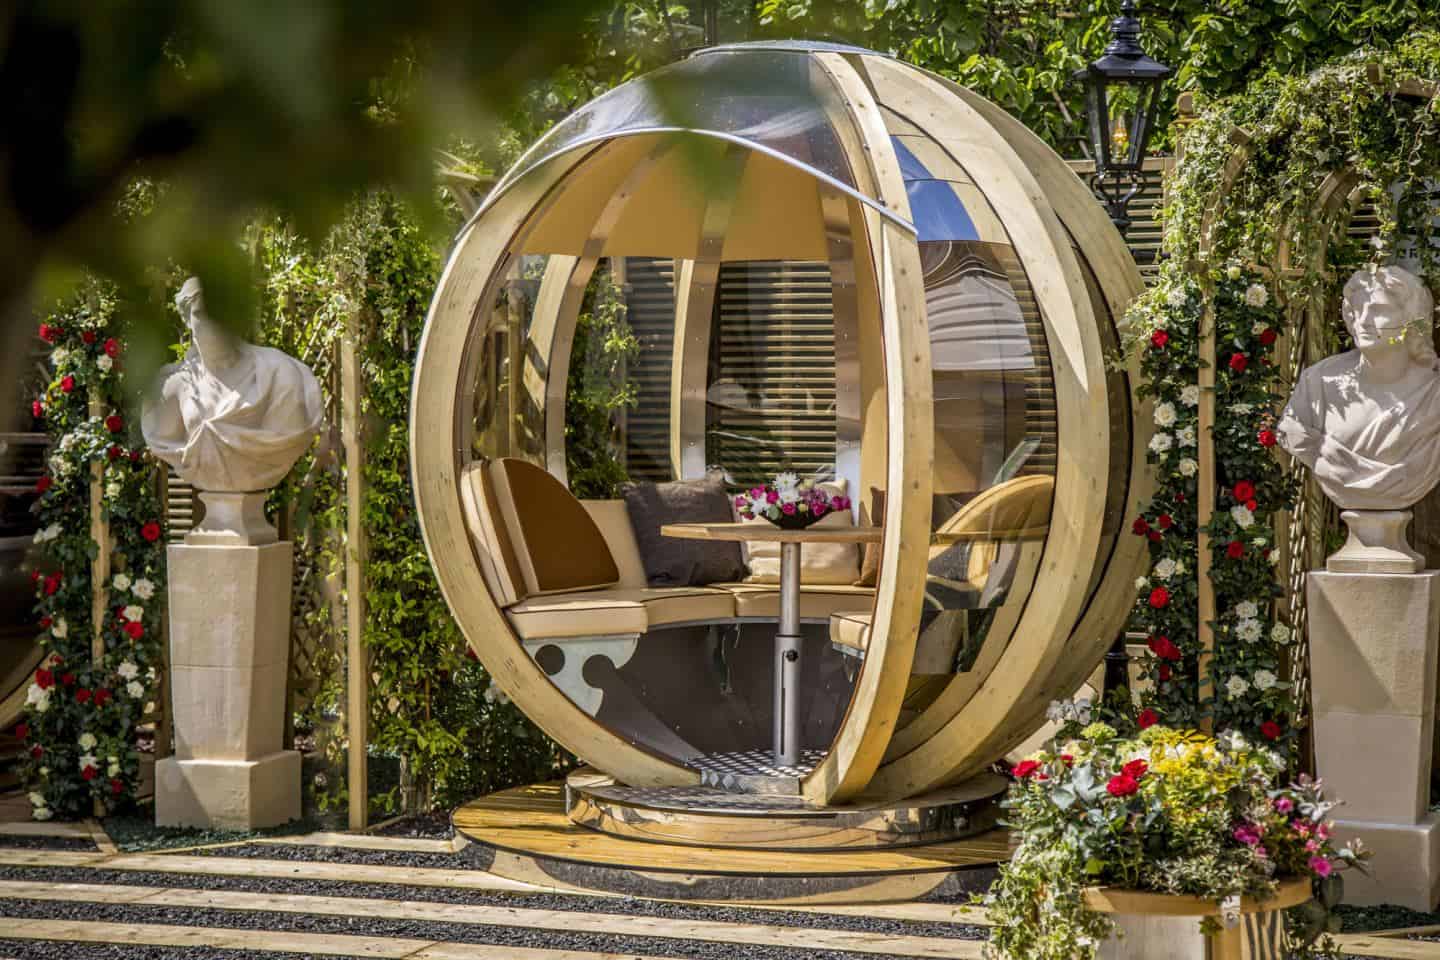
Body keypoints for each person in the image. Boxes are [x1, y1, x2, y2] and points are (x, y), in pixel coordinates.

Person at [1277, 265, 1440, 510]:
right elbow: (1292, 433)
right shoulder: (1318, 383)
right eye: (1357, 310)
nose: (1363, 320)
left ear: (1410, 320)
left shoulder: (1433, 393)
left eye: (1378, 310)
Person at [141, 277, 323, 492]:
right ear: (188, 319)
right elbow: (165, 440)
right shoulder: (174, 387)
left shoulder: (280, 373)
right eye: (203, 314)